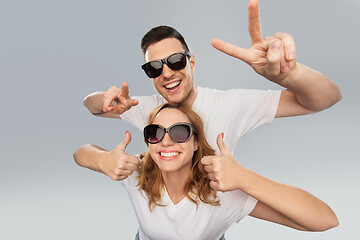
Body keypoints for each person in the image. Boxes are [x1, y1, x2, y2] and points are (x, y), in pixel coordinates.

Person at [82, 0, 341, 154]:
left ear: (191, 61)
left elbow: (326, 99)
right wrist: (106, 98)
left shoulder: (229, 105)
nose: (167, 72)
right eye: (154, 67)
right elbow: (91, 106)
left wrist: (290, 75)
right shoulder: (147, 109)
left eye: (176, 61)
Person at [74, 104, 338, 240]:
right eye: (155, 133)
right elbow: (80, 153)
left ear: (196, 142)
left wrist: (246, 178)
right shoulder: (138, 173)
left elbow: (325, 219)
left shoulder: (223, 195)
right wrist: (102, 159)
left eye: (179, 132)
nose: (166, 141)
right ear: (148, 142)